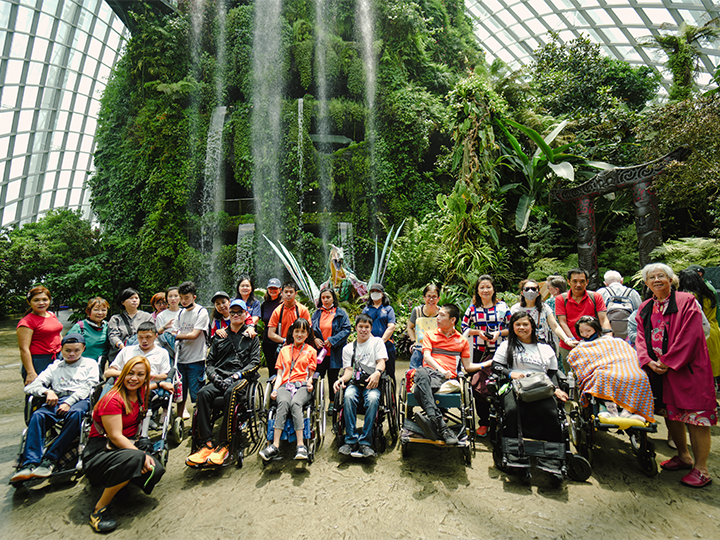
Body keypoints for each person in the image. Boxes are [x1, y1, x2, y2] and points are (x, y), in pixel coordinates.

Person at [636, 263, 716, 488]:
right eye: (652, 277)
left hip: (688, 370)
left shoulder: (687, 301)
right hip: (659, 371)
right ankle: (683, 455)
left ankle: (701, 469)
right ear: (647, 283)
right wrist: (647, 360)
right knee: (671, 414)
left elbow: (692, 334)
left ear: (671, 280)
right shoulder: (645, 306)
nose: (657, 280)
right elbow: (640, 337)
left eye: (661, 276)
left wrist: (668, 361)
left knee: (696, 418)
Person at [83, 356, 165, 532]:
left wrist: (160, 384)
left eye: (140, 375)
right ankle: (99, 509)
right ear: (122, 374)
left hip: (122, 449)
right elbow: (114, 436)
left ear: (146, 377)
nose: (134, 378)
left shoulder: (140, 393)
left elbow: (149, 386)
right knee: (137, 458)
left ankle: (121, 482)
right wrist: (141, 456)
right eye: (130, 373)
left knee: (156, 470)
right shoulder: (112, 399)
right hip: (99, 452)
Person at [11, 333, 99, 483]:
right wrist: (47, 391)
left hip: (79, 400)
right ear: (61, 350)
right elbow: (31, 386)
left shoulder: (90, 364)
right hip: (56, 398)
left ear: (83, 348)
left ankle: (50, 458)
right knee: (38, 415)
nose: (72, 354)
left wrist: (69, 402)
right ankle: (30, 463)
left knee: (75, 414)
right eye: (67, 350)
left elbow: (90, 386)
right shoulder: (54, 367)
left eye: (76, 350)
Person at [492, 311, 569, 477]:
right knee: (512, 411)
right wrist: (510, 373)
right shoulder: (507, 345)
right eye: (517, 324)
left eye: (525, 324)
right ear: (512, 327)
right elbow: (495, 366)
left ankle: (552, 459)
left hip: (541, 386)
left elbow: (553, 372)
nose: (521, 328)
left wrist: (556, 389)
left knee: (551, 413)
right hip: (515, 385)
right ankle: (515, 455)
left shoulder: (545, 348)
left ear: (532, 327)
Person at [186, 299, 261, 467]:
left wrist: (236, 375)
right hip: (220, 377)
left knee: (231, 392)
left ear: (245, 315)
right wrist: (214, 378)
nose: (235, 315)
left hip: (239, 379)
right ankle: (206, 442)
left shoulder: (251, 337)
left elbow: (255, 362)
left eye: (239, 312)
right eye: (232, 312)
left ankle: (224, 443)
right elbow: (210, 363)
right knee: (203, 393)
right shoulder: (219, 336)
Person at [411, 303, 483, 445]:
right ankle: (441, 426)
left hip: (447, 377)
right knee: (421, 372)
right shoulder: (429, 334)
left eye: (442, 315)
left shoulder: (462, 340)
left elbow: (467, 366)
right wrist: (441, 370)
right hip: (431, 373)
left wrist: (487, 363)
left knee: (420, 385)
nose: (437, 317)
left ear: (453, 320)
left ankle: (433, 422)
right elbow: (426, 357)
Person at [567, 316, 654, 422]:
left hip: (622, 368)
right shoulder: (581, 347)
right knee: (602, 376)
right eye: (581, 332)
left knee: (640, 376)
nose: (585, 334)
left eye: (588, 330)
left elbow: (629, 355)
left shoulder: (614, 341)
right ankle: (609, 409)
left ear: (596, 329)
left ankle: (629, 411)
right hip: (602, 371)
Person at [260, 318, 318, 461]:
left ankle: (300, 446)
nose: (299, 334)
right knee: (283, 403)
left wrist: (310, 383)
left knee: (296, 404)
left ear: (307, 334)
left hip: (303, 385)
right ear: (292, 333)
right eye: (297, 331)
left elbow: (311, 375)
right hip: (286, 385)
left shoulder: (311, 351)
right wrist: (275, 389)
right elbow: (279, 375)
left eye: (303, 332)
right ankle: (274, 445)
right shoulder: (284, 350)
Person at [460, 275, 510, 437]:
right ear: (478, 290)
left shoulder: (503, 307)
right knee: (478, 386)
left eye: (488, 287)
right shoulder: (473, 309)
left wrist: (498, 333)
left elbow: (512, 328)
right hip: (479, 353)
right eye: (482, 287)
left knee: (500, 385)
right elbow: (463, 328)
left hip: (500, 352)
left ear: (493, 289)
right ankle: (484, 422)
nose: (485, 290)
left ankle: (500, 420)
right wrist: (478, 332)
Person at [334, 314, 387, 458]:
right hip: (355, 383)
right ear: (356, 328)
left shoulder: (377, 342)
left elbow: (381, 362)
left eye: (367, 327)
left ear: (371, 328)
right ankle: (350, 440)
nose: (363, 330)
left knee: (373, 399)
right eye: (361, 327)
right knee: (348, 396)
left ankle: (366, 441)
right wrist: (340, 381)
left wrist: (377, 373)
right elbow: (348, 371)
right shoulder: (348, 348)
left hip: (372, 382)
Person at [555, 268, 612, 371]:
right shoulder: (561, 299)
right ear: (568, 282)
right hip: (569, 346)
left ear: (587, 282)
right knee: (571, 379)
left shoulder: (595, 297)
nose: (578, 284)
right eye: (574, 281)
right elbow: (562, 322)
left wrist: (609, 337)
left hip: (593, 345)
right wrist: (572, 341)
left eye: (582, 281)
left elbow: (603, 319)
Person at [172, 281, 210, 419]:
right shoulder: (180, 313)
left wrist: (176, 336)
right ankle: (179, 417)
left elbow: (194, 335)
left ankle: (199, 420)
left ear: (194, 297)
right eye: (181, 298)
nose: (183, 301)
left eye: (186, 298)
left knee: (197, 394)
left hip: (196, 360)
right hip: (180, 359)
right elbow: (175, 332)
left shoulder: (201, 312)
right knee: (180, 393)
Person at [311, 286, 351, 406]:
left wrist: (332, 340)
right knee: (315, 377)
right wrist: (314, 339)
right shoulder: (316, 314)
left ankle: (333, 403)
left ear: (333, 298)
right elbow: (310, 330)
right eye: (323, 298)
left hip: (334, 352)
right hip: (319, 353)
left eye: (328, 297)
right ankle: (314, 401)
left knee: (333, 378)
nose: (326, 300)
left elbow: (346, 329)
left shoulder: (340, 313)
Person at [105, 322, 172, 393]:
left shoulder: (162, 352)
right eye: (140, 337)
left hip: (149, 389)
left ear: (156, 336)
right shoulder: (127, 350)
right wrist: (128, 374)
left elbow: (165, 375)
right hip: (126, 388)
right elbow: (108, 373)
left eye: (148, 337)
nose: (144, 341)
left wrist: (150, 377)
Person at [510, 279, 575, 350]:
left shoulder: (545, 308)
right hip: (520, 343)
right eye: (527, 289)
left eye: (534, 289)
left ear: (538, 293)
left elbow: (555, 326)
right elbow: (511, 328)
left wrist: (566, 339)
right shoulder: (515, 309)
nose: (530, 291)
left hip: (540, 344)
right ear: (522, 292)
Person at [17, 286, 63, 385]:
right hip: (38, 361)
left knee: (57, 391)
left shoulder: (51, 315)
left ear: (49, 300)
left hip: (57, 357)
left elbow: (58, 335)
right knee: (37, 393)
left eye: (44, 299)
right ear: (29, 302)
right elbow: (24, 349)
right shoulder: (26, 322)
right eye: (36, 300)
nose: (41, 303)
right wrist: (30, 372)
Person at [678, 268, 720, 378]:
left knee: (699, 374)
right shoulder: (709, 293)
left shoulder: (688, 298)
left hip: (698, 335)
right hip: (713, 331)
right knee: (712, 372)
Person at [107, 288, 153, 365]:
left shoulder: (147, 317)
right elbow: (113, 336)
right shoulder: (116, 319)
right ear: (122, 302)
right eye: (131, 298)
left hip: (142, 354)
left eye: (136, 298)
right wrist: (122, 347)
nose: (134, 300)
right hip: (120, 355)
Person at [362, 283, 397, 380]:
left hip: (387, 346)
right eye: (372, 291)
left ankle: (392, 394)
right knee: (372, 372)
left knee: (390, 373)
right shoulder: (366, 310)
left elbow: (391, 326)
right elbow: (363, 327)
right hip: (370, 346)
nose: (375, 293)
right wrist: (374, 341)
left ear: (382, 294)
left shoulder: (388, 309)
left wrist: (381, 341)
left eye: (377, 291)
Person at [267, 281, 311, 352]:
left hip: (301, 347)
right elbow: (270, 333)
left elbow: (309, 330)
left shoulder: (303, 310)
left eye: (291, 292)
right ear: (282, 293)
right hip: (284, 346)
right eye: (286, 292)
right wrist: (285, 341)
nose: (288, 294)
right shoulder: (277, 311)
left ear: (295, 294)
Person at [67, 297, 110, 366]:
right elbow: (67, 345)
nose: (100, 313)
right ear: (89, 311)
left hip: (100, 365)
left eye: (103, 310)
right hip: (81, 365)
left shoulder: (108, 326)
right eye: (96, 310)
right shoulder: (80, 326)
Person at [407, 284, 441, 370]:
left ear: (438, 298)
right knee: (414, 370)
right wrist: (413, 341)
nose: (431, 299)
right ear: (424, 297)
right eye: (428, 296)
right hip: (420, 347)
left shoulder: (442, 313)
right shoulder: (417, 311)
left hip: (437, 348)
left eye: (434, 297)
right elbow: (410, 327)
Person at [260, 278, 283, 377]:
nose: (273, 290)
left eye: (275, 288)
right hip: (267, 341)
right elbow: (264, 321)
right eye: (270, 288)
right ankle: (272, 389)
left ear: (280, 289)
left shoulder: (283, 304)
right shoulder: (264, 304)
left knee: (282, 367)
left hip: (281, 340)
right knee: (271, 367)